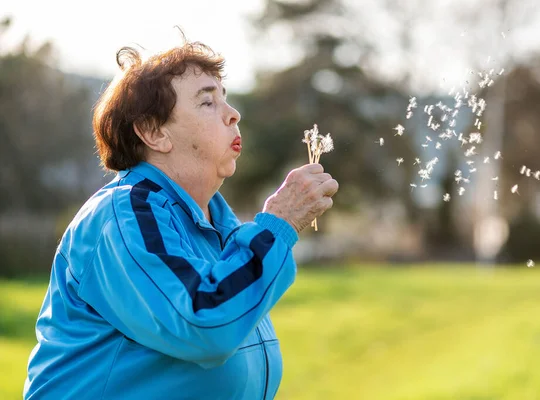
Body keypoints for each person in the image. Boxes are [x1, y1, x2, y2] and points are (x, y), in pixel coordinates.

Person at [24, 40, 338, 399]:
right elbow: (205, 324)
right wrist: (278, 224)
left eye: (225, 96)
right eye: (207, 101)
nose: (233, 113)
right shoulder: (123, 215)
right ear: (154, 133)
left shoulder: (216, 227)